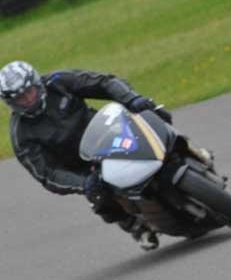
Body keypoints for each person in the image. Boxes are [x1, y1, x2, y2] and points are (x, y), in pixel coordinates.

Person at [0, 60, 211, 250]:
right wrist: (82, 183)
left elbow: (103, 82)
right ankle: (135, 226)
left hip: (109, 131)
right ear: (11, 104)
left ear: (37, 83)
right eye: (19, 99)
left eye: (29, 92)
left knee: (151, 115)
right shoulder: (21, 134)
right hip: (85, 165)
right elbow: (47, 174)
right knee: (98, 196)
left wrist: (132, 99)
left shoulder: (58, 81)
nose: (28, 99)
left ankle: (190, 149)